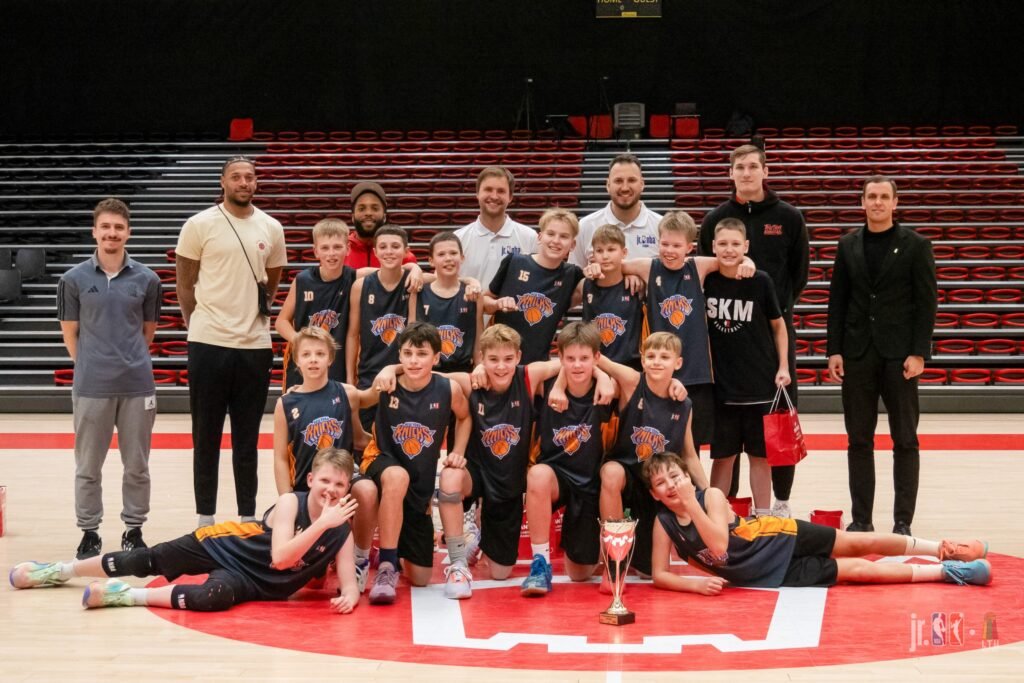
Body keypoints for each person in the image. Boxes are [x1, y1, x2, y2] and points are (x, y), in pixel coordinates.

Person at [11, 448, 363, 615]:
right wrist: (322, 523)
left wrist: (349, 596)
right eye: (325, 481)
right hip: (224, 545)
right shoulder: (290, 503)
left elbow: (349, 583)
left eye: (339, 484)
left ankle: (126, 595)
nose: (331, 490)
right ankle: (59, 570)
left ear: (347, 488)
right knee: (148, 560)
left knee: (211, 598)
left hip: (252, 582)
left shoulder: (341, 532)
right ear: (311, 479)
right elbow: (282, 558)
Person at [644, 451, 991, 593]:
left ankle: (942, 548)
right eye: (661, 483)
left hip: (780, 537)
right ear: (654, 494)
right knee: (858, 571)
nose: (671, 485)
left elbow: (719, 546)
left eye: (675, 476)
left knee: (860, 542)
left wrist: (691, 501)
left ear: (688, 476)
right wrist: (694, 586)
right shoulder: (664, 522)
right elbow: (660, 574)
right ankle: (947, 573)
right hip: (769, 573)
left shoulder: (711, 497)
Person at [176, 155, 286, 527]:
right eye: (236, 177)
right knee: (205, 435)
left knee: (247, 437)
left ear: (256, 183)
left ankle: (247, 515)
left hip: (255, 346)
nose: (243, 182)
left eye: (249, 177)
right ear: (223, 182)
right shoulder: (198, 224)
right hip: (208, 343)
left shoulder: (271, 227)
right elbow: (184, 285)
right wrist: (198, 324)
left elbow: (272, 281)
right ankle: (205, 518)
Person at [699, 143, 809, 515]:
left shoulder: (789, 217)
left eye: (752, 166)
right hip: (726, 338)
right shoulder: (715, 218)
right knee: (727, 440)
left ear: (765, 171)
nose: (746, 173)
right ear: (730, 173)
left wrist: (770, 307)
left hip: (770, 334)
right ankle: (724, 507)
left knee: (776, 427)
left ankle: (780, 502)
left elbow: (799, 274)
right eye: (739, 167)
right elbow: (705, 267)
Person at [827, 175, 938, 536]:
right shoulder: (847, 245)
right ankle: (862, 519)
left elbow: (927, 303)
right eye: (871, 196)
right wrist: (834, 350)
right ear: (862, 202)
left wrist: (919, 352)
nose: (877, 202)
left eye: (883, 196)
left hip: (900, 356)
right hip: (857, 354)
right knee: (858, 440)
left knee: (905, 440)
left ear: (895, 202)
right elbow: (838, 300)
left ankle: (903, 521)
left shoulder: (916, 245)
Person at [56, 198, 161, 559]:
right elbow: (70, 333)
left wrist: (126, 361)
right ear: (94, 231)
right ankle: (90, 532)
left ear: (128, 232)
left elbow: (147, 333)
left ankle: (134, 529)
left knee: (137, 466)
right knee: (88, 467)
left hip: (137, 385)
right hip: (92, 386)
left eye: (118, 227)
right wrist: (92, 365)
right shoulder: (72, 280)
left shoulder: (148, 279)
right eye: (105, 227)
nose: (111, 233)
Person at [616, 211, 754, 454]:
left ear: (689, 247)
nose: (669, 250)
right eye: (665, 244)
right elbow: (614, 267)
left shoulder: (697, 266)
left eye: (676, 245)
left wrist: (749, 262)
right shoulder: (649, 268)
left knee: (693, 445)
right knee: (659, 441)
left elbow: (731, 260)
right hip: (660, 373)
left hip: (696, 372)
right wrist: (629, 276)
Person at [357, 322, 470, 605]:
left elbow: (465, 417)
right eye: (407, 354)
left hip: (419, 486)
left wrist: (457, 450)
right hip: (381, 463)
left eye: (421, 354)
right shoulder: (387, 384)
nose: (413, 361)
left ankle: (391, 548)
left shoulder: (448, 389)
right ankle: (386, 565)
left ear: (436, 357)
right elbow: (357, 400)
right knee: (397, 477)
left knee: (420, 577)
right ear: (399, 356)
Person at [589, 332, 707, 581]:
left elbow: (689, 455)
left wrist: (707, 492)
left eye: (664, 357)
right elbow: (597, 358)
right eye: (651, 356)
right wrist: (601, 376)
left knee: (646, 573)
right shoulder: (633, 381)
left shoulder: (684, 404)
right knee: (611, 472)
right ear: (642, 360)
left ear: (678, 363)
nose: (656, 362)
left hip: (656, 487)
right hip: (627, 476)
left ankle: (641, 549)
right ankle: (615, 558)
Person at [520, 322, 617, 597]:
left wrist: (602, 375)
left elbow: (637, 379)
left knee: (579, 574)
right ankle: (540, 564)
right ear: (560, 357)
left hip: (589, 484)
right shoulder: (545, 386)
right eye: (570, 358)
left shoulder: (609, 389)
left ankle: (606, 556)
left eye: (584, 358)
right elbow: (517, 371)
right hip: (556, 477)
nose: (577, 365)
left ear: (596, 357)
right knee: (537, 475)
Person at [704, 218, 791, 516]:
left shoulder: (761, 281)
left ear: (746, 246)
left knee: (760, 457)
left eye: (735, 244)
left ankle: (763, 516)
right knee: (723, 458)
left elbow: (779, 326)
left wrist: (783, 366)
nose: (729, 249)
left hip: (760, 385)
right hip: (722, 388)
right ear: (713, 246)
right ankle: (716, 515)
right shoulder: (705, 281)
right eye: (723, 244)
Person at [273, 326, 377, 494]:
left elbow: (374, 395)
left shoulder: (347, 393)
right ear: (297, 359)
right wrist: (286, 497)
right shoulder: (285, 404)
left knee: (367, 490)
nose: (313, 360)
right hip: (304, 487)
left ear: (330, 358)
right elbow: (280, 458)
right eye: (306, 354)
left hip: (342, 483)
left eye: (320, 354)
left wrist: (392, 370)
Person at [483, 208, 585, 364]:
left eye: (564, 236)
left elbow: (601, 284)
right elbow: (483, 302)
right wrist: (497, 304)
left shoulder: (572, 274)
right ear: (540, 237)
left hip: (538, 365)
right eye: (551, 234)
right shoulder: (514, 262)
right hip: (499, 362)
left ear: (572, 245)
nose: (556, 241)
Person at [276, 218, 359, 389]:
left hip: (337, 362)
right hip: (304, 363)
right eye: (325, 248)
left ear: (348, 249)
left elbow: (391, 271)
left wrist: (414, 269)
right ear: (316, 252)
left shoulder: (355, 277)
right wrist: (300, 340)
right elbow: (281, 321)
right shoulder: (302, 280)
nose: (331, 253)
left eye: (337, 247)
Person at [346, 226, 414, 431]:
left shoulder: (413, 283)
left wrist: (417, 269)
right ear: (375, 252)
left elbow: (443, 278)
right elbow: (352, 335)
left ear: (406, 251)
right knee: (366, 440)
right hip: (369, 373)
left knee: (401, 435)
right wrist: (350, 377)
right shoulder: (361, 286)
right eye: (383, 247)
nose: (389, 251)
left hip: (404, 373)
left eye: (395, 246)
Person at [571, 153, 662, 267]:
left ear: (642, 184)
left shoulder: (661, 226)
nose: (625, 188)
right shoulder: (585, 226)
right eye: (618, 181)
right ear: (608, 185)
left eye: (632, 180)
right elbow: (573, 275)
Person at [453, 166, 538, 289]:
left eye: (501, 191)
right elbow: (443, 283)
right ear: (477, 193)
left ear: (510, 197)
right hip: (468, 303)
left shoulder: (530, 238)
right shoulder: (457, 239)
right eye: (488, 189)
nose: (494, 196)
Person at [581, 224, 644, 369]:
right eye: (599, 251)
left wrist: (633, 273)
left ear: (624, 252)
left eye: (611, 249)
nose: (605, 256)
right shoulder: (584, 285)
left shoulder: (637, 285)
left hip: (630, 368)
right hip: (595, 366)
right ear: (593, 255)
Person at [344, 182, 418, 269]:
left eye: (375, 208)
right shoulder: (340, 252)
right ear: (352, 217)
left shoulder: (404, 257)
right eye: (361, 209)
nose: (368, 213)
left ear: (384, 216)